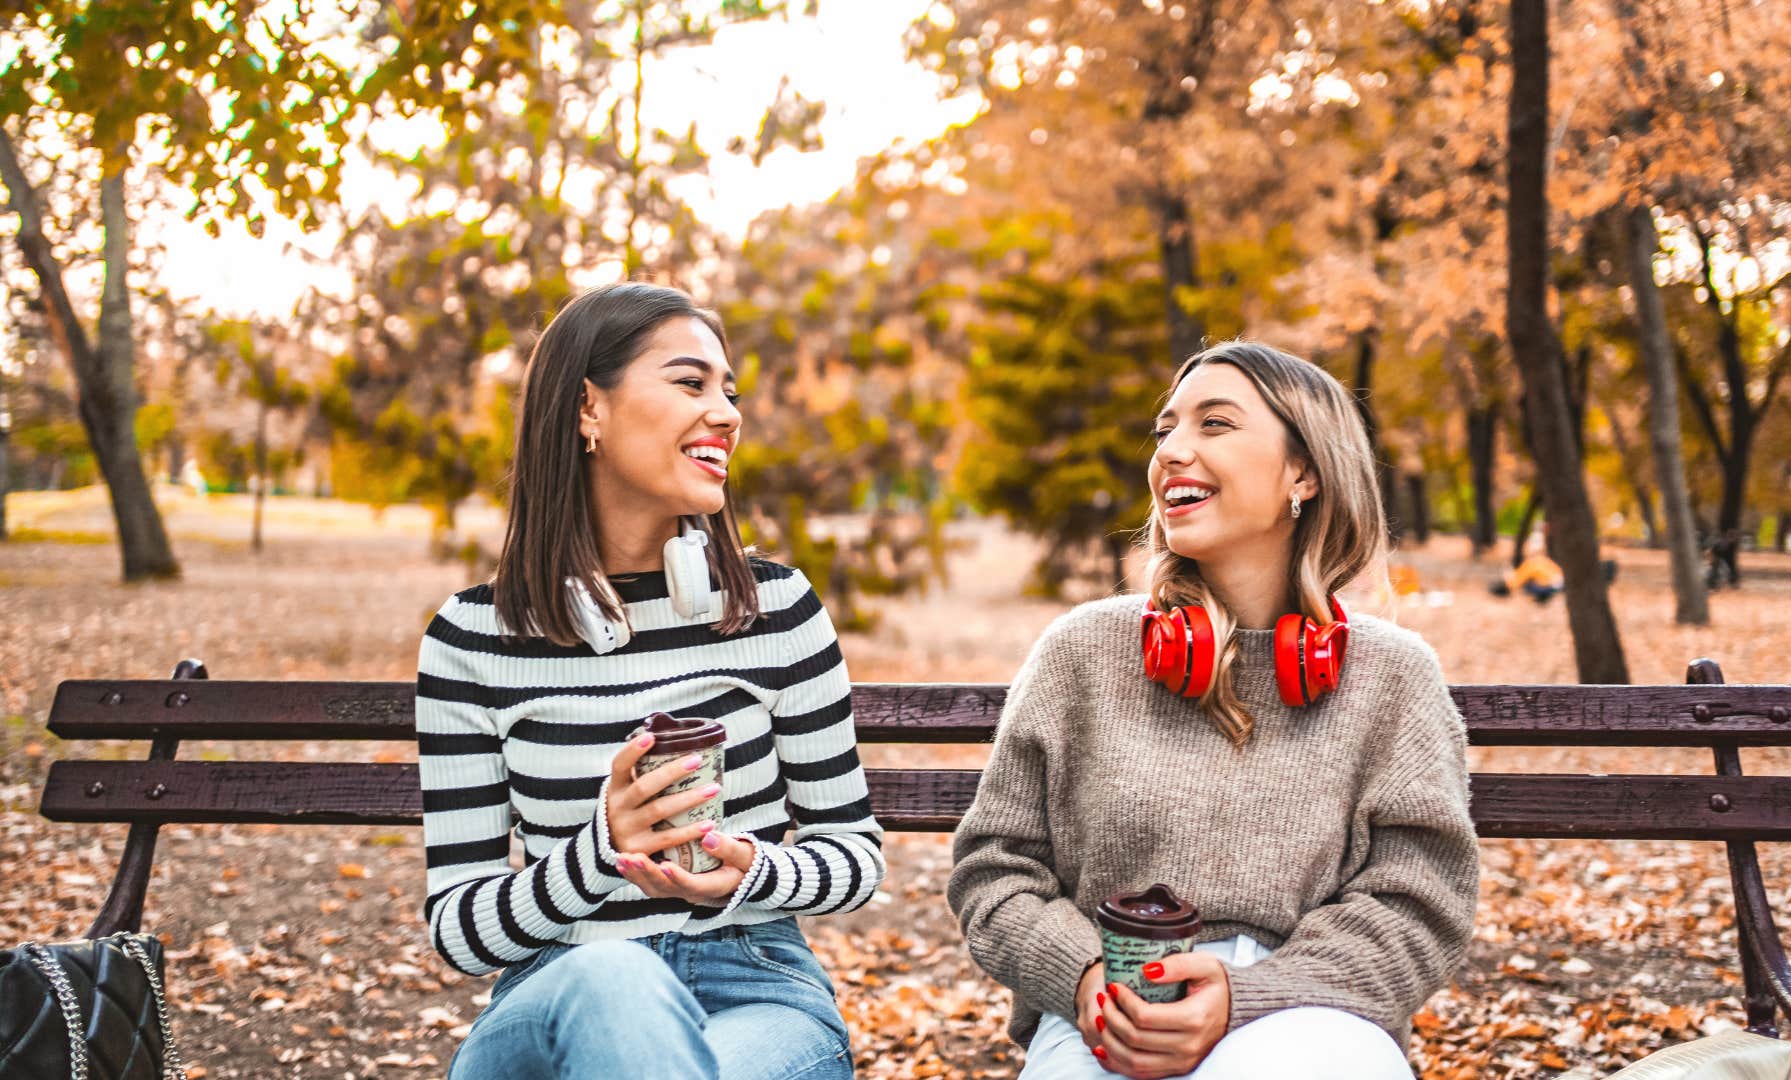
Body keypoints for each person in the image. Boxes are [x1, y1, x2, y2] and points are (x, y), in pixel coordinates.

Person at [948, 341, 1479, 1080]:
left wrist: (1246, 997)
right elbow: (995, 871)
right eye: (1165, 430)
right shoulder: (1082, 652)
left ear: (1305, 473)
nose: (1171, 451)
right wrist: (1083, 978)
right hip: (1107, 1011)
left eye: (1215, 424)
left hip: (1312, 1012)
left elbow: (1420, 906)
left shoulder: (1394, 677)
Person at [414, 282, 885, 1080]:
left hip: (753, 987)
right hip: (557, 993)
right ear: (587, 408)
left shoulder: (778, 611)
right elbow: (460, 929)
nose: (726, 414)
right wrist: (603, 850)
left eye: (729, 393)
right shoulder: (473, 639)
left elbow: (855, 856)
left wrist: (754, 871)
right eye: (691, 382)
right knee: (614, 975)